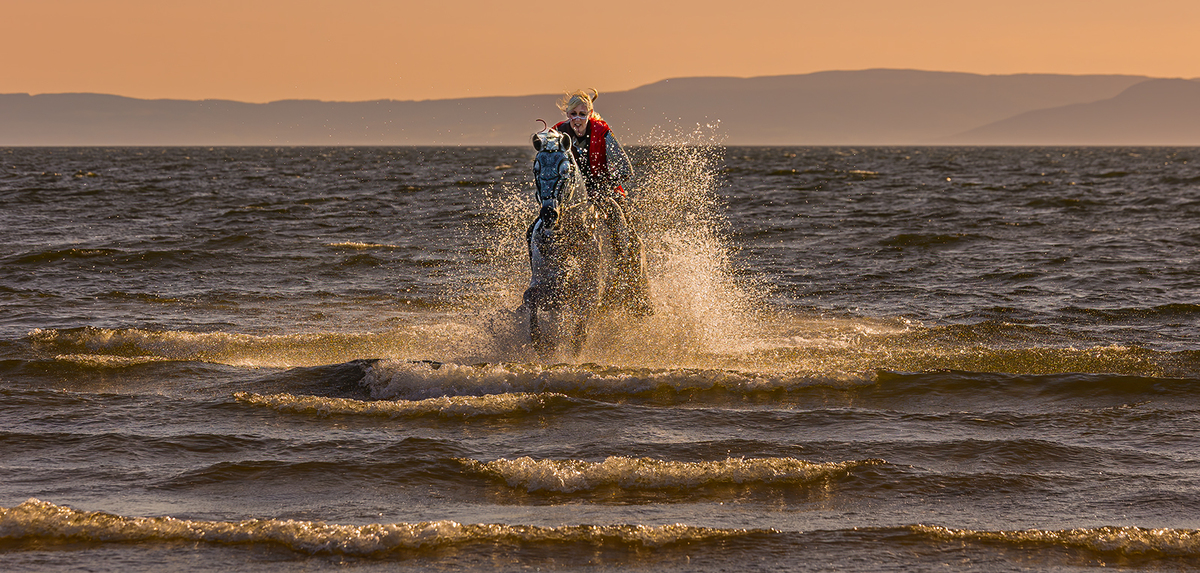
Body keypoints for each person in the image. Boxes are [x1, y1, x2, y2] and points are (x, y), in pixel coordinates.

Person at [552, 89, 651, 315]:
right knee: (540, 229)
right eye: (573, 114)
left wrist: (602, 188)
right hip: (571, 198)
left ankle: (633, 287)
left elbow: (626, 169)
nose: (577, 120)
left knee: (629, 238)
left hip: (605, 194)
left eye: (582, 114)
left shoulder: (603, 132)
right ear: (567, 114)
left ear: (590, 114)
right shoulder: (557, 134)